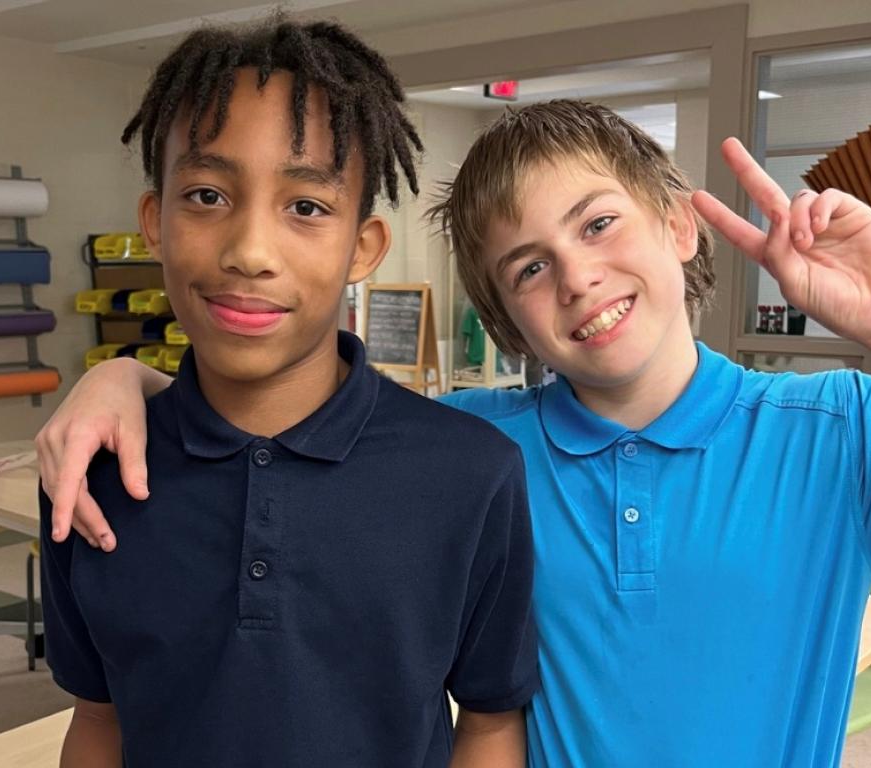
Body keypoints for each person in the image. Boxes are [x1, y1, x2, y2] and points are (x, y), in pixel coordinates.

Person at [39, 99, 871, 766]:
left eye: (600, 225)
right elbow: (286, 421)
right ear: (508, 319)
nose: (578, 278)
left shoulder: (845, 433)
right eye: (530, 268)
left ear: (681, 227)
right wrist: (124, 376)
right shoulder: (469, 453)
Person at [38, 19, 537, 768]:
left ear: (362, 247)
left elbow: (490, 724)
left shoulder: (470, 475)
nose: (249, 252)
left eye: (306, 207)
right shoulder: (87, 472)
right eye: (206, 195)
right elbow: (100, 717)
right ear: (155, 225)